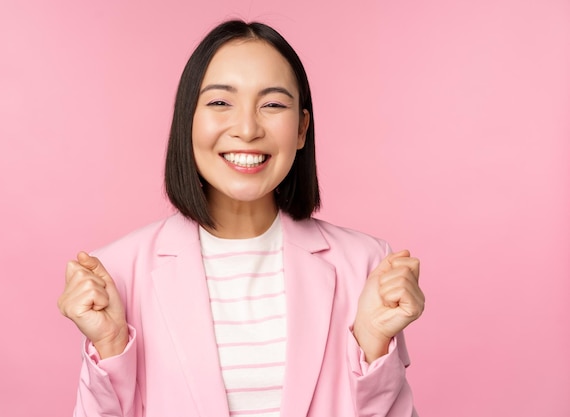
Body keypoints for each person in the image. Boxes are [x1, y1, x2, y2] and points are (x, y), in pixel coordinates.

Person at [58, 19, 425, 417]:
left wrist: (372, 342)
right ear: (188, 119)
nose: (247, 129)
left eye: (273, 105)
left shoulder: (365, 266)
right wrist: (110, 343)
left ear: (302, 129)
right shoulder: (118, 274)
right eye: (220, 102)